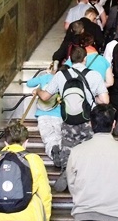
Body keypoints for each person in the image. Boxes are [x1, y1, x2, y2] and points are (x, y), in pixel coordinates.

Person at [36, 46, 109, 191]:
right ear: (85, 59)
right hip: (87, 120)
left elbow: (45, 97)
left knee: (68, 146)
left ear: (70, 58)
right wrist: (93, 99)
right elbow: (105, 101)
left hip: (68, 119)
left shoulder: (60, 75)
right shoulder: (94, 75)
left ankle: (67, 170)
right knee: (88, 148)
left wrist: (38, 91)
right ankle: (86, 176)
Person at [26, 64, 63, 167]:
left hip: (43, 114)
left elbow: (29, 83)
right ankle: (60, 152)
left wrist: (44, 76)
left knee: (48, 137)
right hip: (58, 114)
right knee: (59, 136)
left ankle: (53, 150)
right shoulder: (62, 80)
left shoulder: (45, 77)